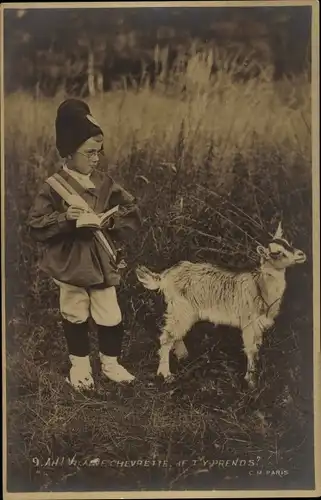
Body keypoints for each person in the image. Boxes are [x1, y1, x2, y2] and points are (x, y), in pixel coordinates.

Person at [27, 98, 141, 390]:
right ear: (68, 152)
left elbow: (131, 210)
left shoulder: (105, 183)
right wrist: (65, 218)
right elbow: (36, 224)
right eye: (89, 152)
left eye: (98, 152)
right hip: (71, 261)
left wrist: (112, 222)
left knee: (110, 312)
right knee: (74, 311)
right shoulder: (53, 186)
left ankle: (111, 364)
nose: (96, 159)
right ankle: (80, 367)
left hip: (101, 260)